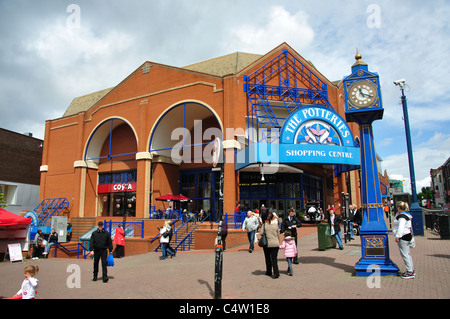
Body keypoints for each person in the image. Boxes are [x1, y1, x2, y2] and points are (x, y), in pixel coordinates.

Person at [393, 201, 415, 279]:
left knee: (405, 254)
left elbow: (401, 227)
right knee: (407, 254)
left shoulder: (402, 217)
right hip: (407, 235)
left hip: (403, 236)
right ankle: (411, 270)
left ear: (399, 208)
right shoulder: (406, 215)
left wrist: (397, 236)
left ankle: (410, 271)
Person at [260, 212, 280, 278]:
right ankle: (276, 273)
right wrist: (278, 242)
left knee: (268, 258)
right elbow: (278, 235)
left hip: (267, 244)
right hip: (275, 243)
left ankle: (269, 271)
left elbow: (261, 233)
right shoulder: (275, 226)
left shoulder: (265, 225)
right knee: (274, 259)